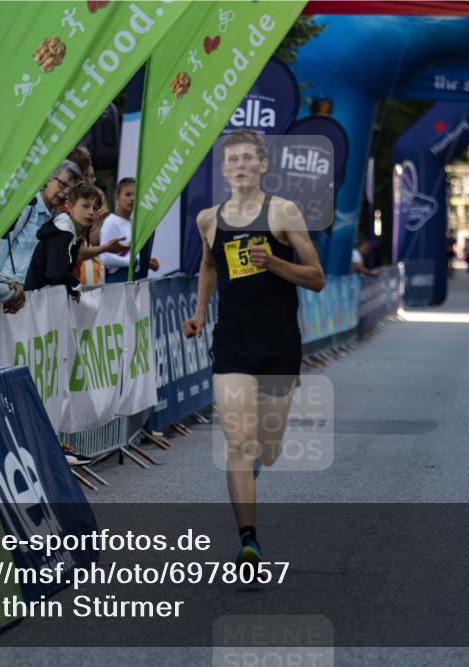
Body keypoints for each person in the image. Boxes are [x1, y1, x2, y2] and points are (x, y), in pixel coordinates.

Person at [181, 130, 325, 565]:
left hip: (279, 342)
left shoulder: (283, 212)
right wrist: (201, 312)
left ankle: (259, 461)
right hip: (233, 341)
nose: (241, 165)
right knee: (239, 443)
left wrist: (275, 262)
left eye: (249, 158)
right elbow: (209, 264)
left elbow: (316, 277)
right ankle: (249, 540)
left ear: (263, 166)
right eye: (233, 160)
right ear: (224, 170)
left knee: (268, 448)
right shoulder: (210, 219)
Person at [26, 183, 126, 294]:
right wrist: (76, 287)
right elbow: (56, 273)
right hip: (38, 300)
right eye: (85, 206)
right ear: (69, 206)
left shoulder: (71, 229)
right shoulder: (63, 231)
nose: (91, 212)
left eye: (95, 208)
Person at [0, 160, 81, 286]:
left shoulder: (60, 220)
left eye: (70, 192)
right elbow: (2, 244)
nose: (65, 193)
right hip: (9, 286)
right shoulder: (27, 205)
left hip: (35, 292)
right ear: (49, 178)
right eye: (62, 184)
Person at [99, 178, 159, 282]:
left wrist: (146, 262)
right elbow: (105, 258)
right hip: (117, 282)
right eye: (127, 194)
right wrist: (133, 262)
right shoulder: (111, 222)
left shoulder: (134, 224)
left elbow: (132, 256)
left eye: (135, 195)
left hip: (135, 280)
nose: (132, 198)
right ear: (117, 197)